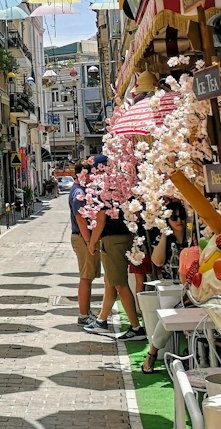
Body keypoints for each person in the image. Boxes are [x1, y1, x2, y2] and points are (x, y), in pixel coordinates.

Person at [82, 154, 146, 341]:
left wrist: (92, 243)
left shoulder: (104, 186)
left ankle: (135, 327)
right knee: (111, 281)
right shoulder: (121, 182)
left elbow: (100, 220)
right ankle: (102, 320)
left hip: (113, 239)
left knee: (119, 283)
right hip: (125, 235)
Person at [140, 202, 192, 374]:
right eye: (174, 217)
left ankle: (154, 352)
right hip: (172, 287)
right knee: (171, 311)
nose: (179, 221)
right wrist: (164, 233)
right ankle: (153, 352)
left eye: (181, 217)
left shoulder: (194, 237)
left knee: (175, 310)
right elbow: (158, 261)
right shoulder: (165, 239)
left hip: (193, 286)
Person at [68, 160, 99, 325]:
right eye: (90, 175)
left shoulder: (80, 190)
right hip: (82, 237)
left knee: (88, 276)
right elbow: (80, 219)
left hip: (83, 237)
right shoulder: (78, 192)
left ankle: (86, 311)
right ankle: (83, 314)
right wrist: (89, 241)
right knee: (86, 276)